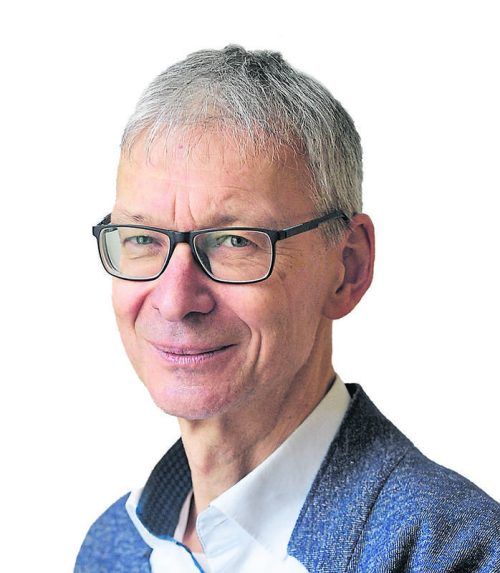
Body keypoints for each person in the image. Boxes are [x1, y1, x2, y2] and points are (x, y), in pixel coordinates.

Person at [75, 46, 499, 572]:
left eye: (234, 241)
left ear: (347, 267)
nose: (175, 300)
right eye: (142, 239)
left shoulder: (454, 553)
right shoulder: (112, 548)